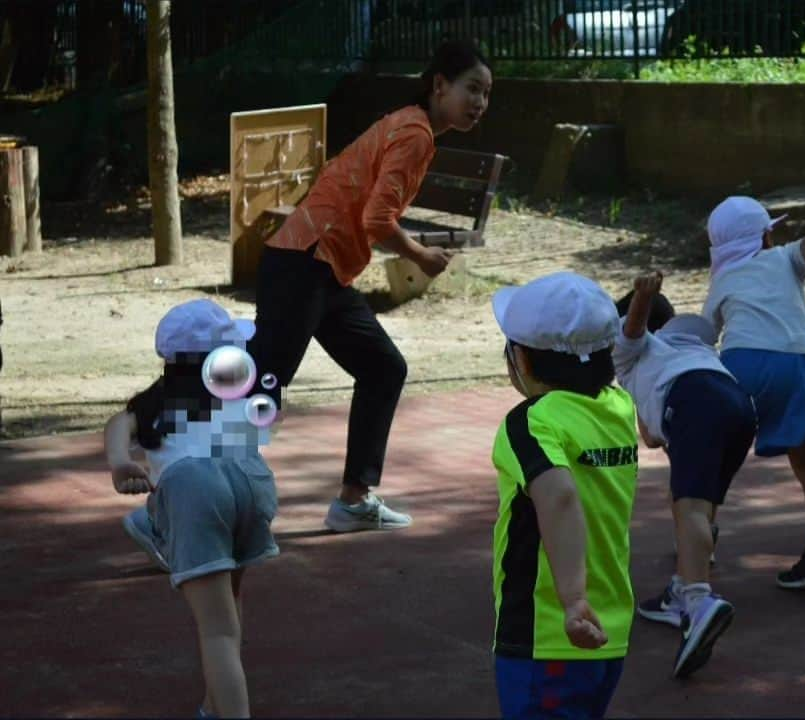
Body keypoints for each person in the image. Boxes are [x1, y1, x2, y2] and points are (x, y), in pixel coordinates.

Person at [250, 39, 493, 533]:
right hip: (304, 262)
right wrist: (422, 255)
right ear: (439, 85)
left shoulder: (412, 124)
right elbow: (378, 218)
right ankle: (174, 499)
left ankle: (354, 500)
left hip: (323, 268)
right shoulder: (416, 133)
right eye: (472, 89)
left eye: (487, 94)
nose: (480, 103)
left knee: (383, 369)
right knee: (259, 390)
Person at [105, 299, 279, 718]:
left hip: (193, 489)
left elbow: (117, 425)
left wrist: (120, 464)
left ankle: (155, 521)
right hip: (251, 483)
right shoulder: (242, 391)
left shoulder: (153, 404)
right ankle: (213, 706)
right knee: (230, 606)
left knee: (216, 630)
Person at [490, 272, 636, 717]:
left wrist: (572, 601)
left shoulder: (532, 421)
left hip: (549, 632)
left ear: (523, 362)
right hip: (610, 628)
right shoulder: (618, 406)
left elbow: (559, 495)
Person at [702, 196, 805, 590]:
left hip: (743, 363)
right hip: (798, 363)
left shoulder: (723, 280)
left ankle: (702, 535)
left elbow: (704, 335)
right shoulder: (786, 257)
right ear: (765, 236)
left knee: (715, 456)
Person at [614, 271, 755, 679]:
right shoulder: (690, 345)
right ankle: (683, 585)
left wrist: (642, 295)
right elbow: (656, 437)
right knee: (701, 503)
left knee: (688, 505)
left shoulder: (628, 353)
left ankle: (698, 600)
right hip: (739, 406)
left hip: (693, 400)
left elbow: (634, 328)